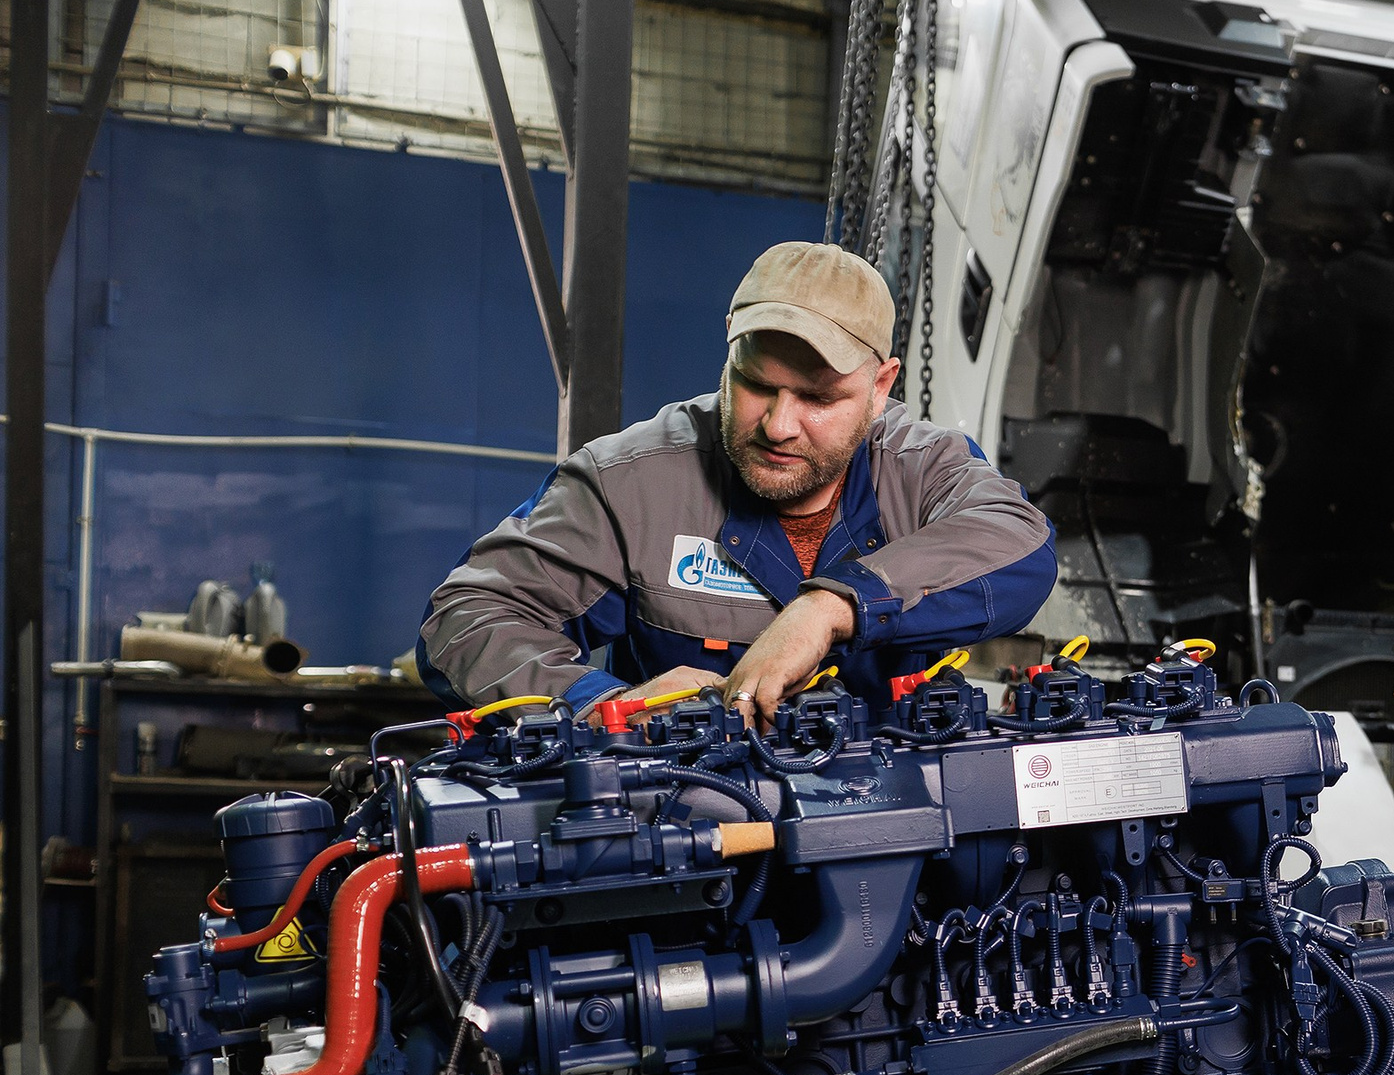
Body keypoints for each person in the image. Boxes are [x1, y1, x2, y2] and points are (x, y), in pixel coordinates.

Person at [420, 242, 1057, 724]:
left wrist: (832, 607)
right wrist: (603, 705)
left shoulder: (921, 469)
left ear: (881, 387)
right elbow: (463, 619)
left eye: (817, 396)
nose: (779, 425)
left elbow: (1020, 545)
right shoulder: (633, 483)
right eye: (755, 384)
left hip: (887, 834)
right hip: (694, 833)